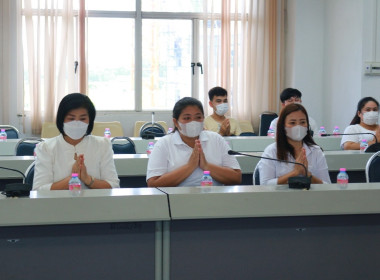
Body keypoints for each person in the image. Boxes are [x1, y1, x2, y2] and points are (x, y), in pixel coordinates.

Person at [147, 97, 242, 187]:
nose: (193, 122)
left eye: (198, 117)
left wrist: (206, 166)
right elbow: (153, 183)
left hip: (215, 199)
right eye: (187, 118)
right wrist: (190, 166)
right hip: (176, 201)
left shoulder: (216, 139)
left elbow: (236, 177)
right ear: (176, 122)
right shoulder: (164, 144)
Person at [33, 93, 120, 190]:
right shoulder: (46, 148)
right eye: (71, 118)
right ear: (62, 119)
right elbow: (38, 189)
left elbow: (114, 185)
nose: (77, 123)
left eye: (83, 119)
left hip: (96, 204)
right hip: (58, 204)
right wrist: (73, 178)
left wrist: (87, 179)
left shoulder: (102, 145)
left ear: (90, 120)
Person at [258, 103, 331, 185]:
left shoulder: (316, 151)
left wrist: (308, 175)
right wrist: (294, 173)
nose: (298, 127)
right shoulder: (271, 151)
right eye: (292, 123)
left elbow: (327, 184)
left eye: (303, 122)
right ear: (283, 126)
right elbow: (264, 184)